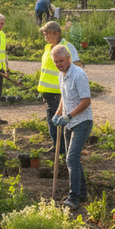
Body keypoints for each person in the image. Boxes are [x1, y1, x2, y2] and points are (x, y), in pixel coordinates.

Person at [51, 45, 92, 211]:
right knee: (72, 159)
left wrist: (69, 116)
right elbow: (64, 96)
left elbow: (86, 101)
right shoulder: (62, 75)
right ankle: (82, 193)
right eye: (56, 62)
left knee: (71, 159)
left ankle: (73, 198)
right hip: (69, 122)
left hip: (82, 122)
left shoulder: (79, 75)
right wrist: (58, 113)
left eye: (61, 61)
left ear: (68, 59)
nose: (59, 64)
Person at [38, 22, 82, 157]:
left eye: (48, 33)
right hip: (47, 91)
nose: (45, 36)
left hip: (59, 92)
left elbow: (77, 66)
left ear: (57, 34)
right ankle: (58, 146)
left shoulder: (67, 47)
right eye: (44, 33)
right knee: (52, 120)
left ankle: (62, 150)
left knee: (58, 120)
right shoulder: (48, 48)